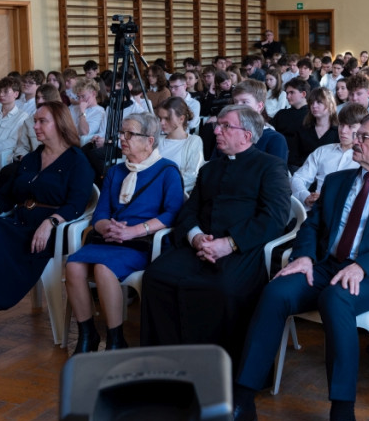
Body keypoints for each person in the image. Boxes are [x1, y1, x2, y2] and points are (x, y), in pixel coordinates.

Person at [231, 112, 369, 421]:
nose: (354, 138)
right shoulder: (336, 180)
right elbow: (310, 227)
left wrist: (362, 266)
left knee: (336, 300)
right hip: (324, 266)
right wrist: (304, 256)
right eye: (355, 133)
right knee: (276, 291)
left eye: (364, 136)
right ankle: (243, 401)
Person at [0, 102, 95, 363]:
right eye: (35, 121)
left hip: (51, 233)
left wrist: (51, 222)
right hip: (21, 223)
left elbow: (77, 204)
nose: (35, 127)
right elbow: (5, 196)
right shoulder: (33, 158)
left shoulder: (77, 161)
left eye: (42, 121)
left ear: (60, 124)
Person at [140, 105, 291, 364]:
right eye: (217, 125)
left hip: (243, 249)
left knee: (222, 289)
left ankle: (219, 369)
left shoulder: (271, 166)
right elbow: (189, 210)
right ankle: (165, 362)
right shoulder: (209, 169)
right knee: (156, 276)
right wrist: (196, 236)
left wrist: (229, 243)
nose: (217, 131)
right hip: (199, 246)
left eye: (225, 126)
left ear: (246, 135)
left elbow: (275, 216)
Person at [64, 113, 185, 354]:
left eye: (130, 134)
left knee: (102, 268)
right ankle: (87, 335)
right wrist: (105, 227)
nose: (123, 138)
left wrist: (133, 231)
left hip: (142, 242)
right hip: (110, 238)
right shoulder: (116, 172)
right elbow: (100, 213)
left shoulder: (167, 171)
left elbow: (173, 213)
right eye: (122, 133)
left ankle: (115, 338)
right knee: (73, 265)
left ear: (149, 141)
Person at [291, 103, 366, 208]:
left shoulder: (365, 159)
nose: (343, 131)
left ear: (362, 129)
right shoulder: (322, 151)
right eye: (341, 124)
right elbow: (298, 178)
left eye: (350, 126)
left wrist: (325, 199)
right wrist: (306, 196)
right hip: (313, 209)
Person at [156, 97, 204, 193]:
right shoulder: (158, 140)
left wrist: (161, 185)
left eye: (167, 118)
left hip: (173, 193)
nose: (162, 123)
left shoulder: (193, 141)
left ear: (181, 119)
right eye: (160, 118)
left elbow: (192, 176)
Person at [290, 87, 339, 170]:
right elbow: (293, 158)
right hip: (303, 172)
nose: (314, 106)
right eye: (312, 103)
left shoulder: (338, 131)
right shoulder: (303, 129)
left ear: (330, 105)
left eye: (319, 102)